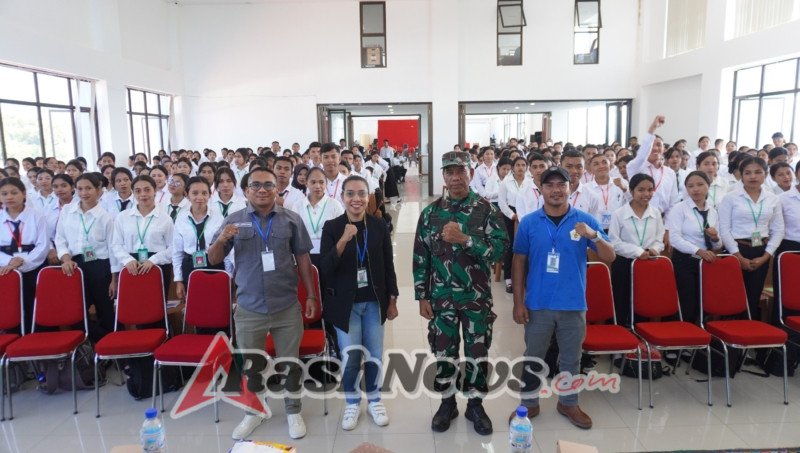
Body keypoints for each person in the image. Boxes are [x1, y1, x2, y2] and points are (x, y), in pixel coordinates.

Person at [208, 167, 317, 441]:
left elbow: (303, 259)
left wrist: (312, 295)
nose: (262, 190)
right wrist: (222, 239)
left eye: (268, 185)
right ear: (246, 191)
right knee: (251, 365)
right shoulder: (234, 221)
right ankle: (254, 411)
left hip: (286, 305)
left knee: (290, 363)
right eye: (255, 185)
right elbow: (212, 259)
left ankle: (293, 410)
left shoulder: (291, 220)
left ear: (276, 189)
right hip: (249, 307)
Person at [412, 151, 509, 436]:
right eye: (450, 172)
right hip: (441, 300)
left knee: (477, 352)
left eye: (461, 171)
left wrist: (467, 240)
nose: (456, 177)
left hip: (476, 299)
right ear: (443, 176)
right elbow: (421, 257)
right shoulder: (430, 213)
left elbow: (501, 250)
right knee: (444, 352)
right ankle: (447, 402)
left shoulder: (486, 210)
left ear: (470, 173)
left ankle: (476, 405)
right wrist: (422, 297)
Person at [511, 166, 615, 430]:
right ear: (541, 189)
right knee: (534, 355)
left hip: (573, 303)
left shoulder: (585, 221)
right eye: (550, 185)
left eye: (561, 184)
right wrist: (518, 302)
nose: (556, 190)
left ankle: (568, 402)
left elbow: (610, 256)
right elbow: (519, 261)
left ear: (571, 188)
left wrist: (594, 237)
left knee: (572, 358)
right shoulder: (530, 223)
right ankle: (529, 402)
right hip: (538, 303)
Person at [320, 175, 398, 431]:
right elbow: (326, 268)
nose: (357, 199)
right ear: (342, 197)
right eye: (351, 193)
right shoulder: (332, 227)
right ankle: (352, 402)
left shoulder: (378, 225)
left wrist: (393, 298)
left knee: (374, 356)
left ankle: (375, 399)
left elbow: (388, 264)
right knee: (351, 356)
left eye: (362, 193)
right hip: (346, 305)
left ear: (368, 196)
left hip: (374, 302)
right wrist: (344, 239)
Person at [718, 157, 784, 321]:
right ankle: (728, 343)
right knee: (732, 299)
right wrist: (738, 256)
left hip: (761, 251)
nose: (752, 176)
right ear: (741, 175)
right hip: (736, 250)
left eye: (758, 172)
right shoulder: (730, 197)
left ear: (766, 174)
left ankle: (747, 341)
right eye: (747, 173)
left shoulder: (772, 198)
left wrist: (766, 256)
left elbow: (778, 230)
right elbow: (724, 229)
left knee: (753, 298)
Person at [56, 173, 117, 341]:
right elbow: (60, 238)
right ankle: (93, 344)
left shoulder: (105, 216)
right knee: (75, 311)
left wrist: (114, 278)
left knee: (104, 309)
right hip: (75, 265)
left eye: (89, 188)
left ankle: (108, 348)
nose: (84, 193)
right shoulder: (68, 210)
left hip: (100, 266)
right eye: (80, 189)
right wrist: (65, 258)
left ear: (98, 189)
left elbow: (113, 248)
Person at [608, 174, 665, 327]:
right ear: (631, 191)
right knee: (621, 302)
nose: (646, 194)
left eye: (650, 190)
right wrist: (637, 252)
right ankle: (620, 342)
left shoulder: (656, 213)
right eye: (641, 190)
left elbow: (660, 239)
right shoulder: (619, 213)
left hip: (648, 264)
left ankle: (643, 342)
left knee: (645, 302)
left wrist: (655, 249)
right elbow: (613, 242)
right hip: (624, 263)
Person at [666, 171, 722, 324]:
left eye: (700, 185)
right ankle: (682, 343)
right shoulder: (679, 209)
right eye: (690, 186)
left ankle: (700, 341)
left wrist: (715, 238)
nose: (695, 189)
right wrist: (699, 251)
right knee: (687, 304)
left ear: (708, 186)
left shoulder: (713, 211)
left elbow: (718, 244)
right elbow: (675, 239)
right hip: (685, 261)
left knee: (703, 303)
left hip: (706, 262)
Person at [110, 175, 174, 299]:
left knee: (156, 306)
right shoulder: (123, 217)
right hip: (131, 266)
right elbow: (116, 244)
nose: (143, 194)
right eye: (138, 191)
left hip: (157, 266)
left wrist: (154, 260)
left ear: (155, 190)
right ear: (133, 192)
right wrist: (128, 260)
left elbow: (173, 247)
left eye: (147, 189)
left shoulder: (165, 218)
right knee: (133, 306)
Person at [0, 177, 50, 333]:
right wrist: (9, 262)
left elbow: (43, 245)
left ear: (23, 194)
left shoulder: (36, 216)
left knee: (35, 307)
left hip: (33, 268)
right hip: (5, 270)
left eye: (14, 193)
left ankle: (39, 344)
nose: (9, 197)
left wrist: (23, 261)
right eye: (4, 193)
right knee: (11, 309)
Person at [291, 167, 343, 269]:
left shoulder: (335, 205)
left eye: (321, 182)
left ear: (326, 183)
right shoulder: (297, 206)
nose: (317, 186)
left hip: (329, 253)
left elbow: (341, 230)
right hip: (304, 255)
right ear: (306, 183)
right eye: (313, 182)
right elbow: (294, 232)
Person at [498, 156, 529, 293]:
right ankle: (509, 279)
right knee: (512, 246)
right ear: (513, 167)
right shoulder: (506, 182)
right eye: (518, 165)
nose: (520, 167)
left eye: (523, 165)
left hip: (527, 215)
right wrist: (512, 215)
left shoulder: (530, 181)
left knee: (528, 247)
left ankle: (526, 277)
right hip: (511, 215)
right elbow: (502, 202)